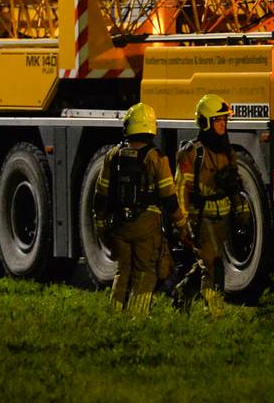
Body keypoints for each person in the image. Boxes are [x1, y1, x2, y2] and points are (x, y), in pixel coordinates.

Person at [93, 103, 188, 315]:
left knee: (123, 271)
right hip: (146, 224)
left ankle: (115, 314)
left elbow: (101, 193)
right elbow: (169, 198)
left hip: (119, 224)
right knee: (145, 271)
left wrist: (100, 222)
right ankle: (138, 317)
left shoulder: (113, 155)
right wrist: (181, 225)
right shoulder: (156, 158)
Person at [173, 94, 251, 315]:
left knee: (208, 262)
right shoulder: (192, 153)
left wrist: (241, 210)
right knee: (212, 265)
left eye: (224, 120)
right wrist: (182, 223)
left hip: (222, 216)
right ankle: (214, 311)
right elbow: (181, 188)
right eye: (218, 120)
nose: (223, 124)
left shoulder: (227, 151)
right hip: (201, 217)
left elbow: (234, 186)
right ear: (206, 122)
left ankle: (183, 291)